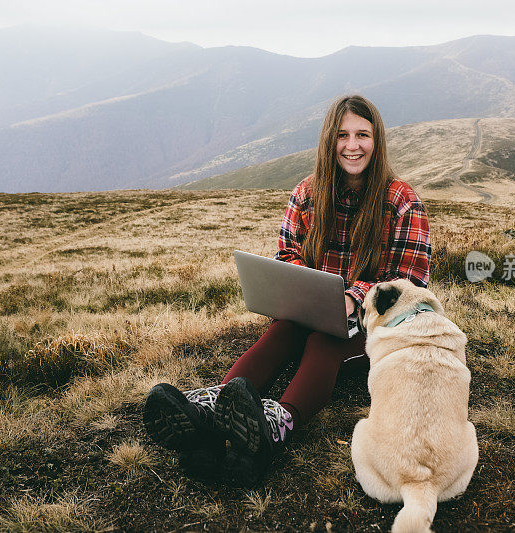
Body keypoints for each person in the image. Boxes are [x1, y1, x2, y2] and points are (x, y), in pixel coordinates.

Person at [143, 94, 431, 487]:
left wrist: (352, 296)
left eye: (362, 135)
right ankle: (215, 409)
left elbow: (409, 281)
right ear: (330, 141)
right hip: (311, 312)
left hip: (373, 327)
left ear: (376, 140)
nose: (352, 145)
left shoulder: (402, 201)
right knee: (283, 331)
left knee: (324, 343)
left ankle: (277, 424)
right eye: (343, 135)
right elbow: (287, 253)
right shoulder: (307, 193)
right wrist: (309, 291)